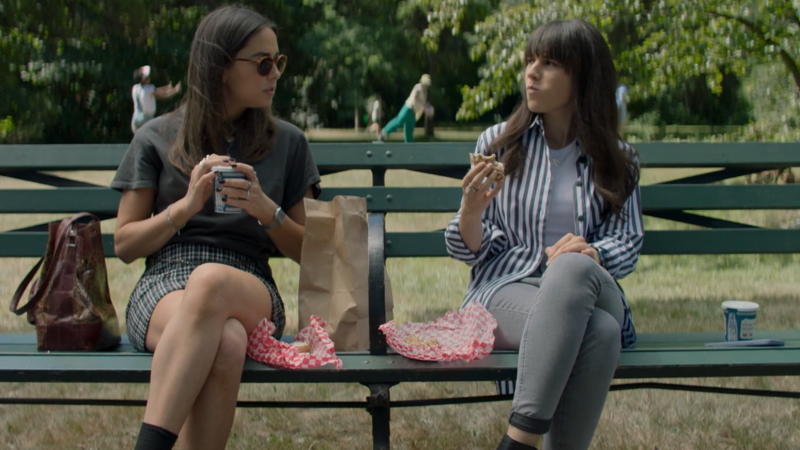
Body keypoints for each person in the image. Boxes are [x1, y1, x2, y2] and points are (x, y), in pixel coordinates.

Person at [111, 6, 321, 450]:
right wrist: (184, 209)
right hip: (165, 284)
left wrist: (268, 211)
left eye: (278, 62)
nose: (275, 74)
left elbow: (313, 253)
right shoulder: (155, 137)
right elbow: (125, 244)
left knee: (211, 284)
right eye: (263, 63)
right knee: (225, 342)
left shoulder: (288, 143)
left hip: (250, 286)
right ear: (220, 66)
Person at [444, 19, 644, 450]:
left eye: (549, 63)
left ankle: (518, 441)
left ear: (583, 76)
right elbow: (468, 249)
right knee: (601, 333)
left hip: (591, 287)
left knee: (571, 267)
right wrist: (470, 211)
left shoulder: (619, 158)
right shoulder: (498, 144)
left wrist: (590, 253)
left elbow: (628, 243)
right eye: (529, 60)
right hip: (505, 289)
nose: (531, 73)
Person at [378, 74, 432, 142]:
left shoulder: (425, 93)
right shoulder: (418, 87)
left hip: (413, 113)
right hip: (407, 109)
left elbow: (422, 106)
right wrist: (424, 104)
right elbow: (416, 97)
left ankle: (408, 147)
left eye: (427, 84)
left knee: (409, 130)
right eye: (425, 83)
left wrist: (426, 111)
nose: (426, 86)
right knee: (399, 121)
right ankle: (384, 132)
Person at [131, 65, 182, 133]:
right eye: (148, 77)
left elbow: (157, 90)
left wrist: (168, 87)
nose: (149, 78)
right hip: (146, 119)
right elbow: (162, 94)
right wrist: (175, 90)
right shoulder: (149, 89)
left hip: (136, 119)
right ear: (144, 79)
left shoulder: (135, 88)